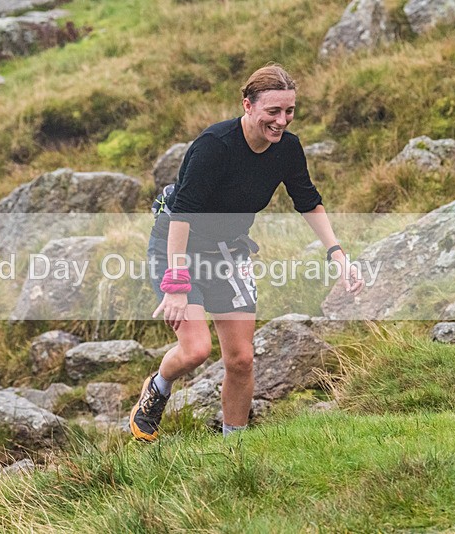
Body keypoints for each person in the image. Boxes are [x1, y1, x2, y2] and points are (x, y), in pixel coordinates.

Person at [130, 63, 364, 442]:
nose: (282, 121)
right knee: (195, 351)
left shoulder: (287, 148)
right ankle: (157, 388)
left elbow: (307, 201)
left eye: (289, 111)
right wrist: (176, 282)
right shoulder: (214, 146)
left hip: (228, 252)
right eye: (273, 111)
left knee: (241, 359)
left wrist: (337, 253)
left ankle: (234, 447)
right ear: (248, 105)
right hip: (178, 245)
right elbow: (183, 213)